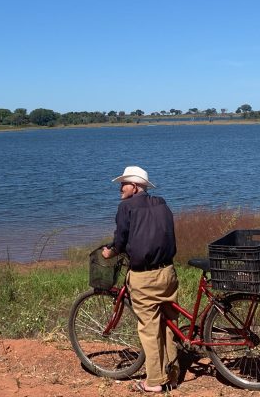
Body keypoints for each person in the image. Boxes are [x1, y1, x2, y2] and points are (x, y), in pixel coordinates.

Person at [102, 166, 179, 393]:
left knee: (149, 328)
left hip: (144, 277)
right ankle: (172, 375)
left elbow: (120, 240)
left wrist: (110, 252)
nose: (120, 188)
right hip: (168, 273)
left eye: (123, 184)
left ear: (134, 187)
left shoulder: (126, 207)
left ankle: (154, 382)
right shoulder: (162, 203)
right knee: (168, 325)